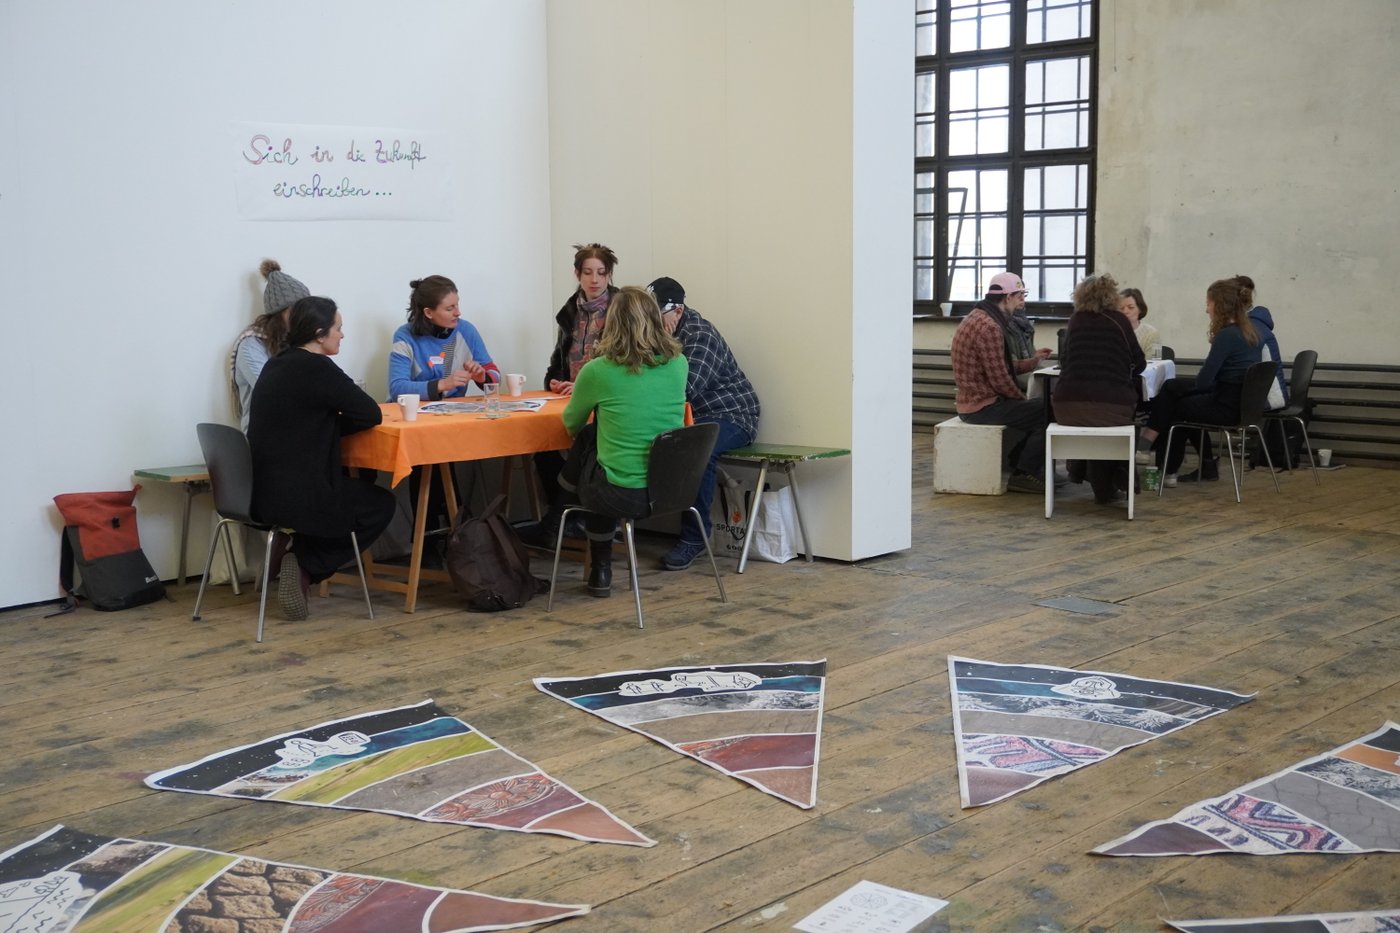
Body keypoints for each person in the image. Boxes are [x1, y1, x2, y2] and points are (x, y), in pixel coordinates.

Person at [248, 296, 395, 621]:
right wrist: (332, 425)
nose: (342, 335)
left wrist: (325, 425)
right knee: (380, 505)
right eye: (338, 329)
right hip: (300, 498)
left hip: (258, 495)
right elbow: (370, 413)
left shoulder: (277, 363)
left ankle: (294, 548)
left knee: (348, 490)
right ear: (319, 332)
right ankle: (304, 563)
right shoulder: (317, 367)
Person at [557, 286, 687, 598]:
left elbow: (571, 423)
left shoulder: (598, 371)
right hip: (670, 491)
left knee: (590, 443)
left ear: (611, 324)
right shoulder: (679, 363)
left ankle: (598, 566)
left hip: (618, 495)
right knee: (597, 446)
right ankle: (561, 506)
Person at [647, 276, 761, 571]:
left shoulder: (700, 336)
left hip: (732, 414)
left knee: (699, 447)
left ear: (678, 312)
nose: (651, 322)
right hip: (693, 415)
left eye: (656, 316)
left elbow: (684, 392)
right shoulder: (654, 332)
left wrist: (662, 349)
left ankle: (695, 537)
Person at [523, 243, 622, 543]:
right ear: (577, 274)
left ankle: (572, 520)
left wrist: (582, 384)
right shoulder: (569, 312)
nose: (595, 280)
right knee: (542, 446)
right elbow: (558, 362)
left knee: (589, 446)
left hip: (607, 399)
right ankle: (568, 517)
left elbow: (620, 363)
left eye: (601, 273)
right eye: (588, 273)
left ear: (610, 275)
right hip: (573, 397)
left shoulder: (621, 309)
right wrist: (555, 381)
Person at [1138, 277, 1269, 486]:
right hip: (1243, 406)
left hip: (1225, 407)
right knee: (1173, 389)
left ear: (1220, 305)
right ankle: (1161, 459)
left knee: (1175, 407)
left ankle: (1157, 459)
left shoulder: (1227, 336)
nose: (1206, 309)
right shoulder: (1252, 332)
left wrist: (1195, 387)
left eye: (1208, 303)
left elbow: (1204, 382)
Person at [950, 271, 1053, 493]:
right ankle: (1023, 472)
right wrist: (1023, 400)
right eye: (1020, 296)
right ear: (1007, 298)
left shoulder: (978, 317)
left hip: (974, 402)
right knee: (1048, 410)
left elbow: (999, 366)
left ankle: (1019, 462)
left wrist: (1032, 362)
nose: (1021, 303)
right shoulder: (990, 328)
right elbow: (1000, 380)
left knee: (1038, 407)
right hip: (981, 407)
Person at [1053, 274, 1146, 504]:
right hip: (1112, 406)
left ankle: (1096, 484)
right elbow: (1139, 363)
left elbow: (1065, 362)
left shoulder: (1075, 320)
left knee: (1093, 419)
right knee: (1113, 421)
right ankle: (1107, 487)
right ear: (1111, 296)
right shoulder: (1119, 321)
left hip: (1067, 407)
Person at [388, 275, 500, 400]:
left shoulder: (466, 330)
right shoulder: (405, 336)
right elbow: (397, 388)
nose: (458, 312)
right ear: (429, 313)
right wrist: (443, 385)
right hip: (413, 413)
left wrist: (483, 378)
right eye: (449, 308)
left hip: (453, 412)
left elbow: (495, 376)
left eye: (457, 305)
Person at [231, 259, 309, 433]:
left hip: (294, 429)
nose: (304, 316)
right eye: (298, 309)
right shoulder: (251, 345)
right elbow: (273, 392)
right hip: (264, 435)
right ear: (279, 312)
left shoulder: (297, 341)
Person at [1118, 287, 1162, 359]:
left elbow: (1155, 364)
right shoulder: (1111, 332)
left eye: (1131, 307)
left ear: (1140, 309)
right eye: (1121, 308)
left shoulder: (1152, 333)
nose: (1125, 312)